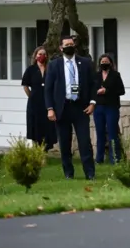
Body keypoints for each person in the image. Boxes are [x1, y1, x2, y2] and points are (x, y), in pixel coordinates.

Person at [45, 35, 96, 180]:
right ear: (61, 48)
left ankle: (90, 172)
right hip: (62, 108)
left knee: (84, 142)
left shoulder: (85, 63)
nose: (69, 46)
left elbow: (93, 84)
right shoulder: (54, 65)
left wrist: (92, 103)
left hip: (80, 107)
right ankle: (68, 172)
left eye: (71, 44)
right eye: (66, 45)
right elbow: (48, 89)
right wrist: (50, 108)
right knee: (65, 143)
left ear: (75, 46)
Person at [22, 46, 57, 152]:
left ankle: (46, 149)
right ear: (35, 55)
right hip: (35, 103)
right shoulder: (31, 69)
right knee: (35, 126)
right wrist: (31, 96)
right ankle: (36, 150)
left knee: (47, 126)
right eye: (39, 54)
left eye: (44, 54)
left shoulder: (50, 68)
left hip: (47, 102)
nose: (42, 56)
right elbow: (25, 86)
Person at [93, 54, 125, 165]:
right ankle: (99, 158)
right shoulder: (96, 76)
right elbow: (92, 90)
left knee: (112, 133)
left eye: (106, 61)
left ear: (110, 63)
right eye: (102, 62)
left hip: (111, 107)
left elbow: (121, 91)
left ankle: (114, 159)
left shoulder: (115, 75)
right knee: (100, 133)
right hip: (98, 107)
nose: (104, 63)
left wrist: (107, 91)